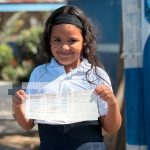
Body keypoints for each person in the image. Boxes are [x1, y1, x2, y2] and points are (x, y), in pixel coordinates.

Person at [12, 5, 122, 150]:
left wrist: (112, 103)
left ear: (84, 41)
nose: (64, 47)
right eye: (57, 40)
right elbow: (27, 124)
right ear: (49, 41)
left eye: (72, 40)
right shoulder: (39, 74)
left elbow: (112, 129)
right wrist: (18, 106)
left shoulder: (96, 75)